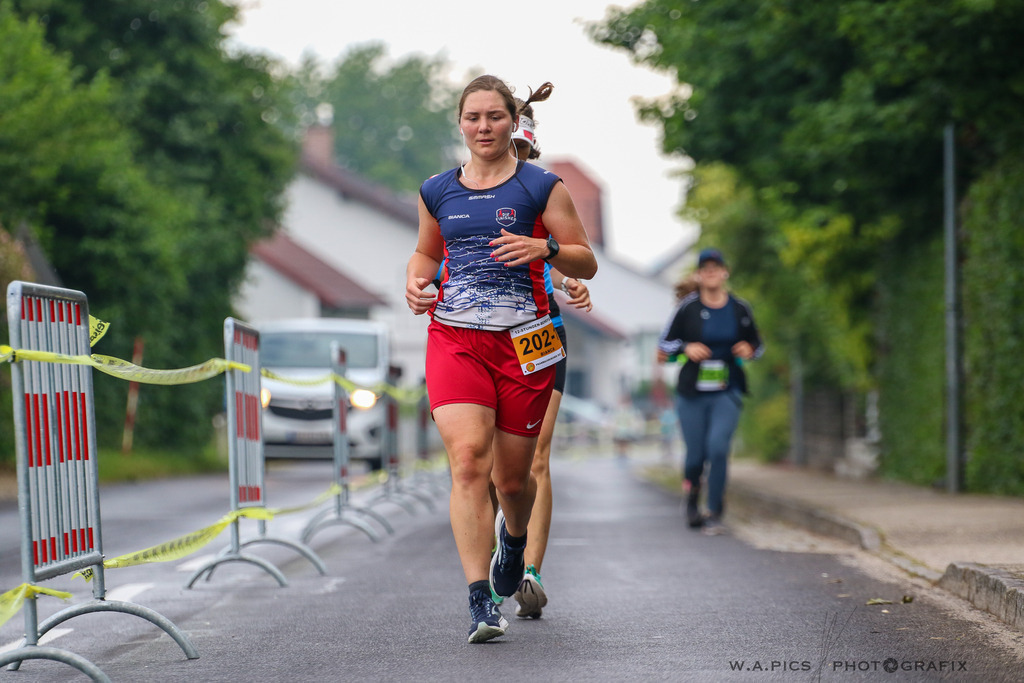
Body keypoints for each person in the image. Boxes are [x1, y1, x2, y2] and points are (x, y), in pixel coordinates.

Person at [406, 74, 597, 643]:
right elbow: (424, 252)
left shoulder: (542, 188)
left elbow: (584, 261)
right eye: (473, 118)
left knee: (516, 479)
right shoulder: (436, 190)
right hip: (456, 340)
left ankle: (514, 546)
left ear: (514, 123)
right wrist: (416, 284)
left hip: (527, 344)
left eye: (494, 117)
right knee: (468, 462)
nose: (483, 127)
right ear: (460, 124)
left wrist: (550, 250)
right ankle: (479, 601)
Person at [502, 84, 594, 621]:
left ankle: (530, 572)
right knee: (494, 468)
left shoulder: (543, 192)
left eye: (525, 152)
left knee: (536, 458)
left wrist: (569, 282)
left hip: (538, 334)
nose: (517, 161)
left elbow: (564, 254)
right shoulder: (466, 191)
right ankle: (504, 553)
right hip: (480, 338)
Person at [656, 248, 763, 535]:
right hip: (692, 392)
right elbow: (662, 348)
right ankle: (692, 497)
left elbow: (758, 346)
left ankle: (714, 510)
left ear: (725, 272)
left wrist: (749, 350)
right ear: (699, 275)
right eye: (706, 268)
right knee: (695, 455)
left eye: (717, 267)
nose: (712, 272)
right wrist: (685, 347)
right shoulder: (687, 309)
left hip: (727, 389)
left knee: (718, 448)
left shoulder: (740, 309)